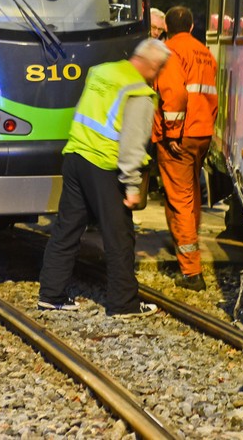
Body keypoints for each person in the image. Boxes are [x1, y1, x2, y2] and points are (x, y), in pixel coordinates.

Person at [38, 38, 171, 316]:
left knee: (66, 229)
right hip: (103, 166)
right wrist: (132, 185)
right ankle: (123, 303)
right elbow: (132, 145)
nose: (158, 74)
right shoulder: (139, 93)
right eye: (159, 69)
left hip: (76, 156)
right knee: (119, 236)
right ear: (152, 65)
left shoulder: (102, 72)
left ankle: (51, 294)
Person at [153, 6, 218, 291]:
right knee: (191, 195)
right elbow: (211, 97)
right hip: (202, 133)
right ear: (191, 27)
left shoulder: (169, 52)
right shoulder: (205, 53)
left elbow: (174, 93)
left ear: (167, 28)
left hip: (179, 136)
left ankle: (191, 272)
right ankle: (185, 245)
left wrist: (172, 132)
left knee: (179, 199)